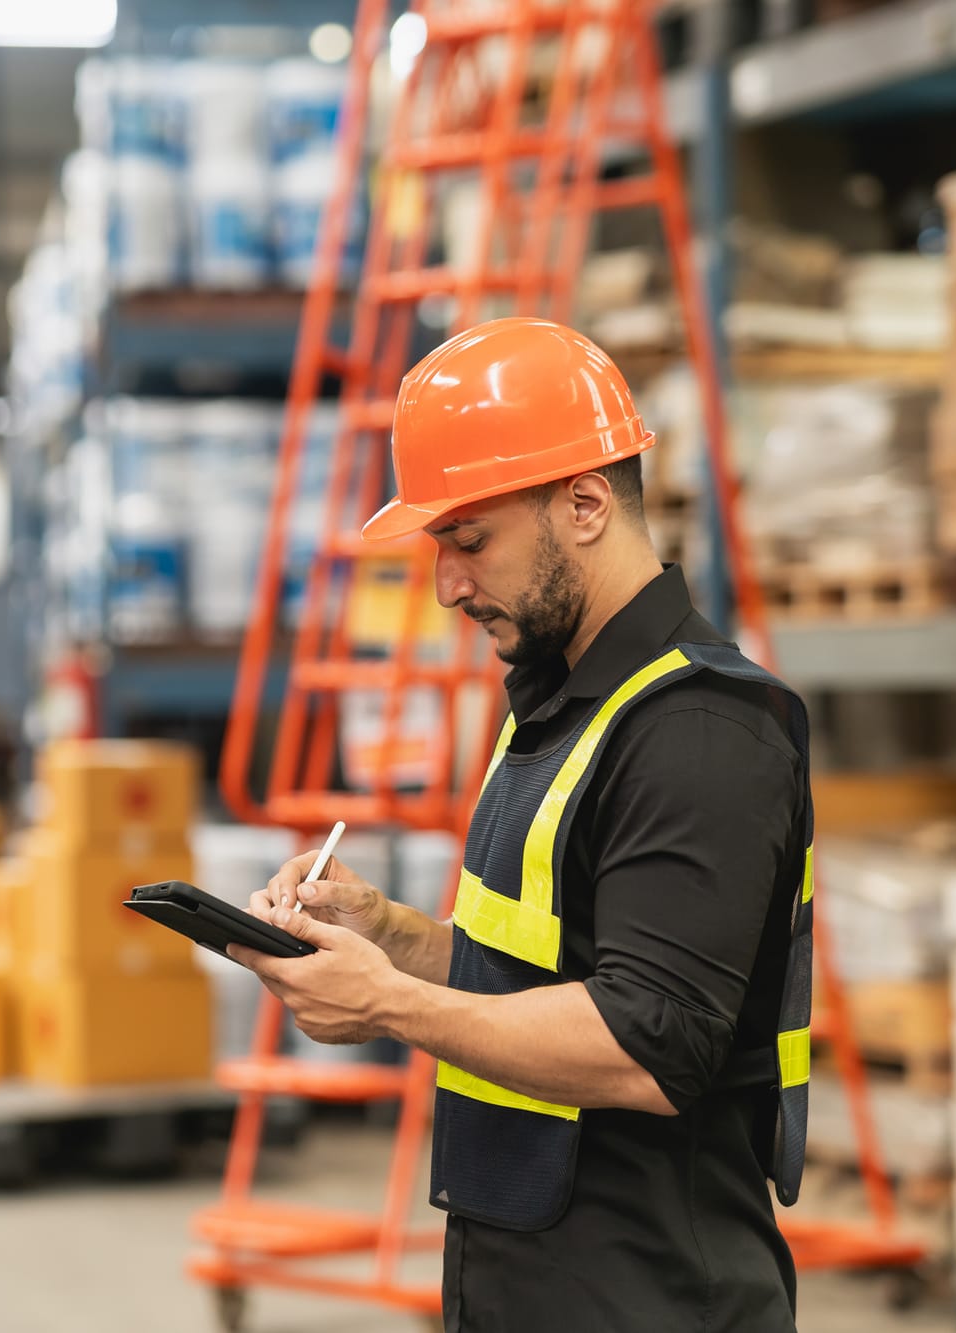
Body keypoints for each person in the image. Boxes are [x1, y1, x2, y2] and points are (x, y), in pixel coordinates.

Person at [234, 318, 815, 1332]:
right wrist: (391, 938)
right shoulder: (559, 705)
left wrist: (385, 1007)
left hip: (653, 1299)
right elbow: (549, 969)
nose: (447, 584)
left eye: (468, 540)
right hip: (535, 1281)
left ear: (583, 503)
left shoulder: (699, 728)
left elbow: (646, 1042)